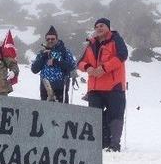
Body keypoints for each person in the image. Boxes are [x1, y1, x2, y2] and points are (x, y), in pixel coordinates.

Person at [77, 18, 128, 152]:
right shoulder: (90, 44)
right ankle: (99, 144)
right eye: (96, 26)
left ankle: (114, 144)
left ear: (108, 27)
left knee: (115, 115)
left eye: (102, 25)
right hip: (94, 88)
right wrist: (87, 68)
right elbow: (80, 62)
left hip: (114, 86)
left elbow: (122, 55)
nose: (99, 28)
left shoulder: (116, 39)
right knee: (95, 117)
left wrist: (103, 68)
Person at [31, 26, 76, 102]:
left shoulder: (65, 51)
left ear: (57, 39)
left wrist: (56, 61)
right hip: (45, 87)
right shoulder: (42, 53)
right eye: (48, 39)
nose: (50, 41)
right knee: (45, 113)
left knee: (62, 113)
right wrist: (43, 57)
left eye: (52, 39)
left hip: (61, 87)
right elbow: (34, 69)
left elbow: (71, 67)